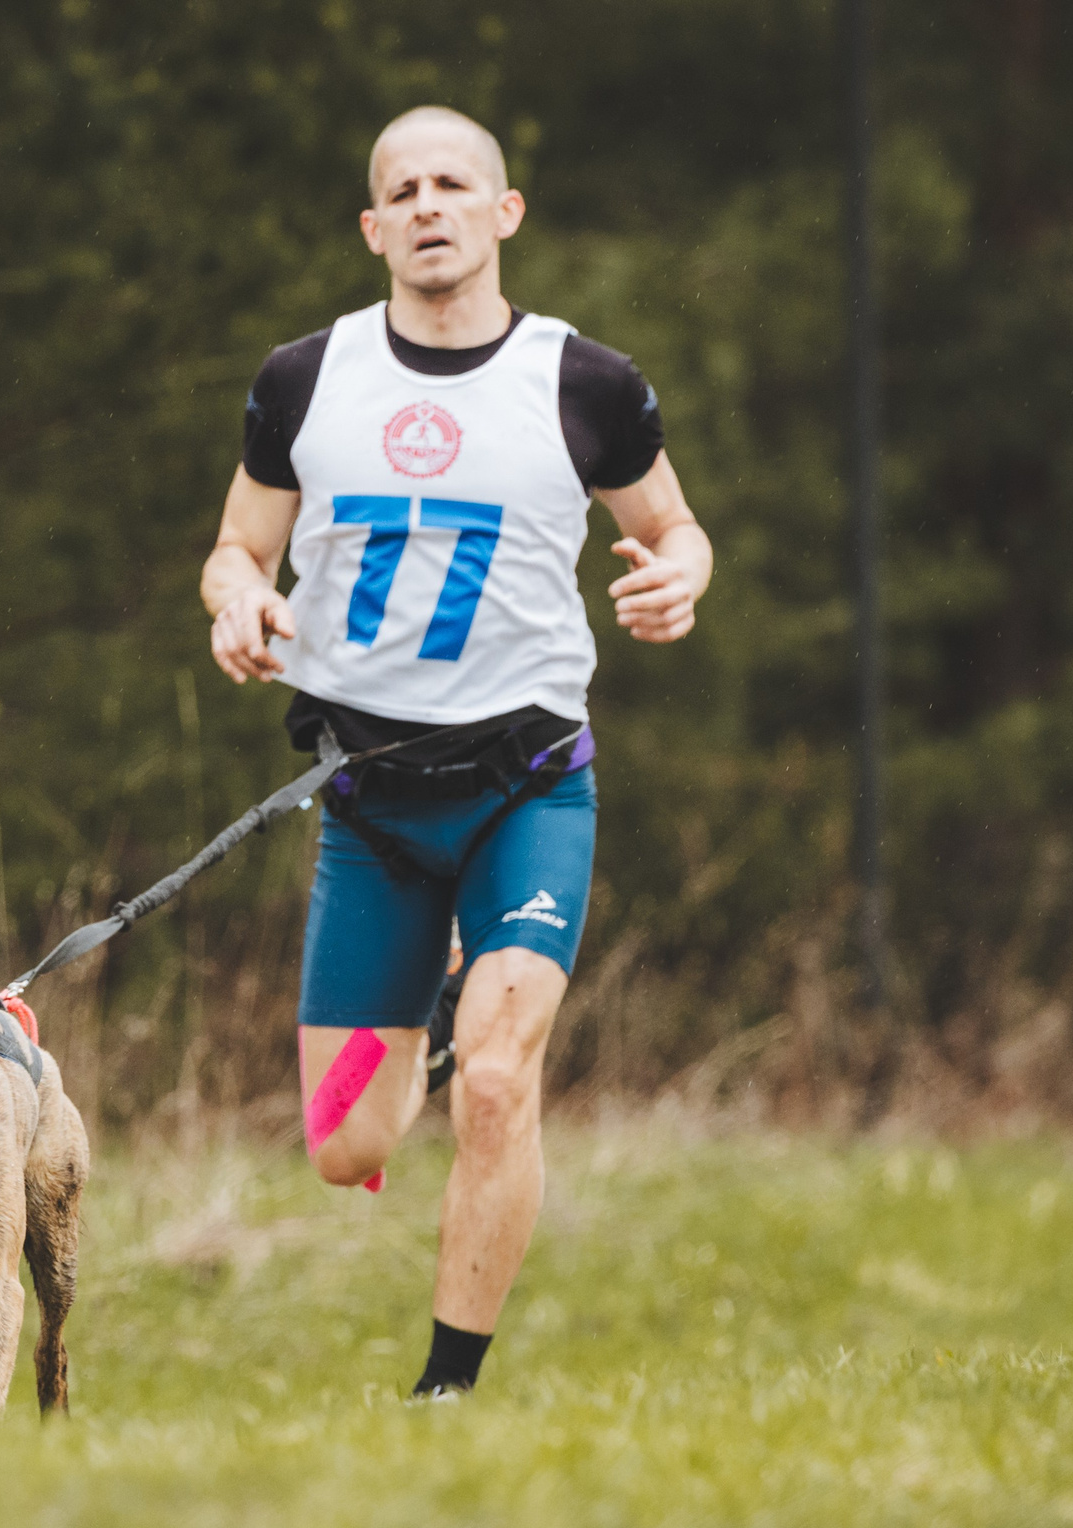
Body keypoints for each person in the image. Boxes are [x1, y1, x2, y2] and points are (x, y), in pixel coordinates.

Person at [197, 106, 712, 1398]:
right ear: (375, 228)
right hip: (367, 808)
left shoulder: (584, 384)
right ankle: (426, 1008)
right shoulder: (304, 381)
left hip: (525, 794)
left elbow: (677, 526)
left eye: (454, 184)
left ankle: (446, 1391)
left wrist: (678, 580)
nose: (430, 204)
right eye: (404, 190)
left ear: (504, 212)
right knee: (341, 1143)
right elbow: (236, 549)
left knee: (496, 1082)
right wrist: (237, 604)